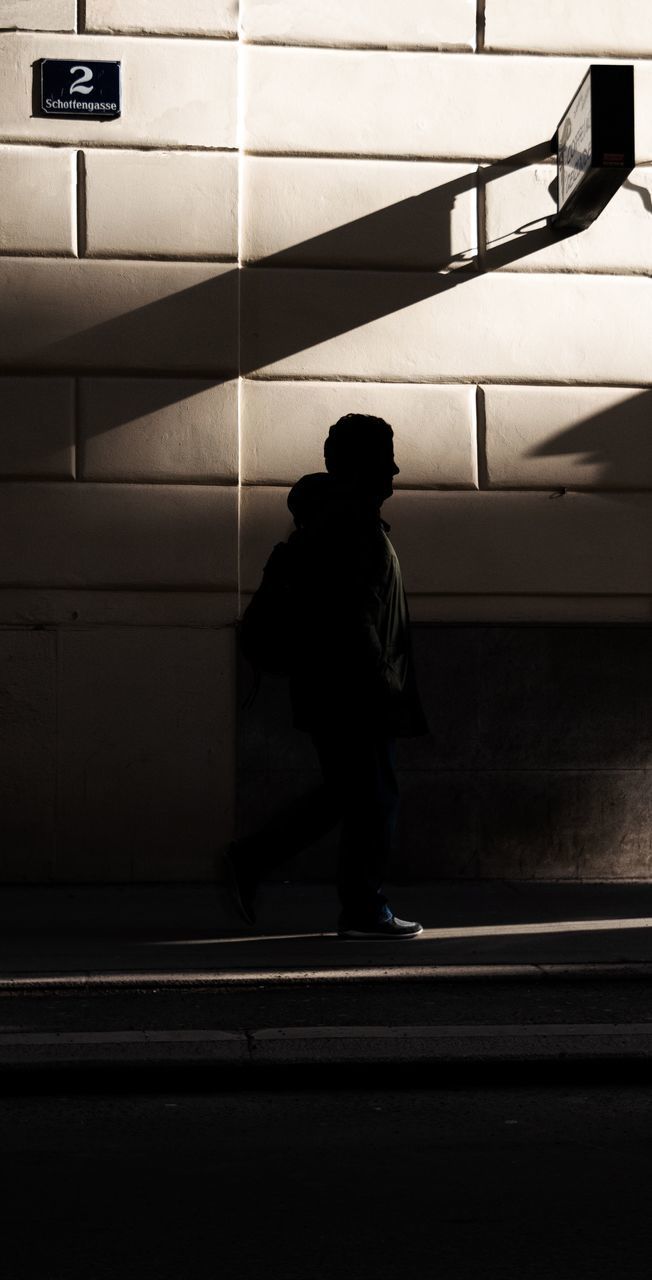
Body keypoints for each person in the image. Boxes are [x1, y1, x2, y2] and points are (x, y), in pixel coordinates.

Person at [225, 413, 428, 938]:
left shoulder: (335, 521)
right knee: (374, 797)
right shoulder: (349, 528)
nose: (395, 470)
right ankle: (360, 908)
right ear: (361, 467)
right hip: (354, 693)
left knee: (348, 794)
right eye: (385, 459)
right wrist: (385, 686)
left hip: (337, 689)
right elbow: (353, 618)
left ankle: (252, 861)